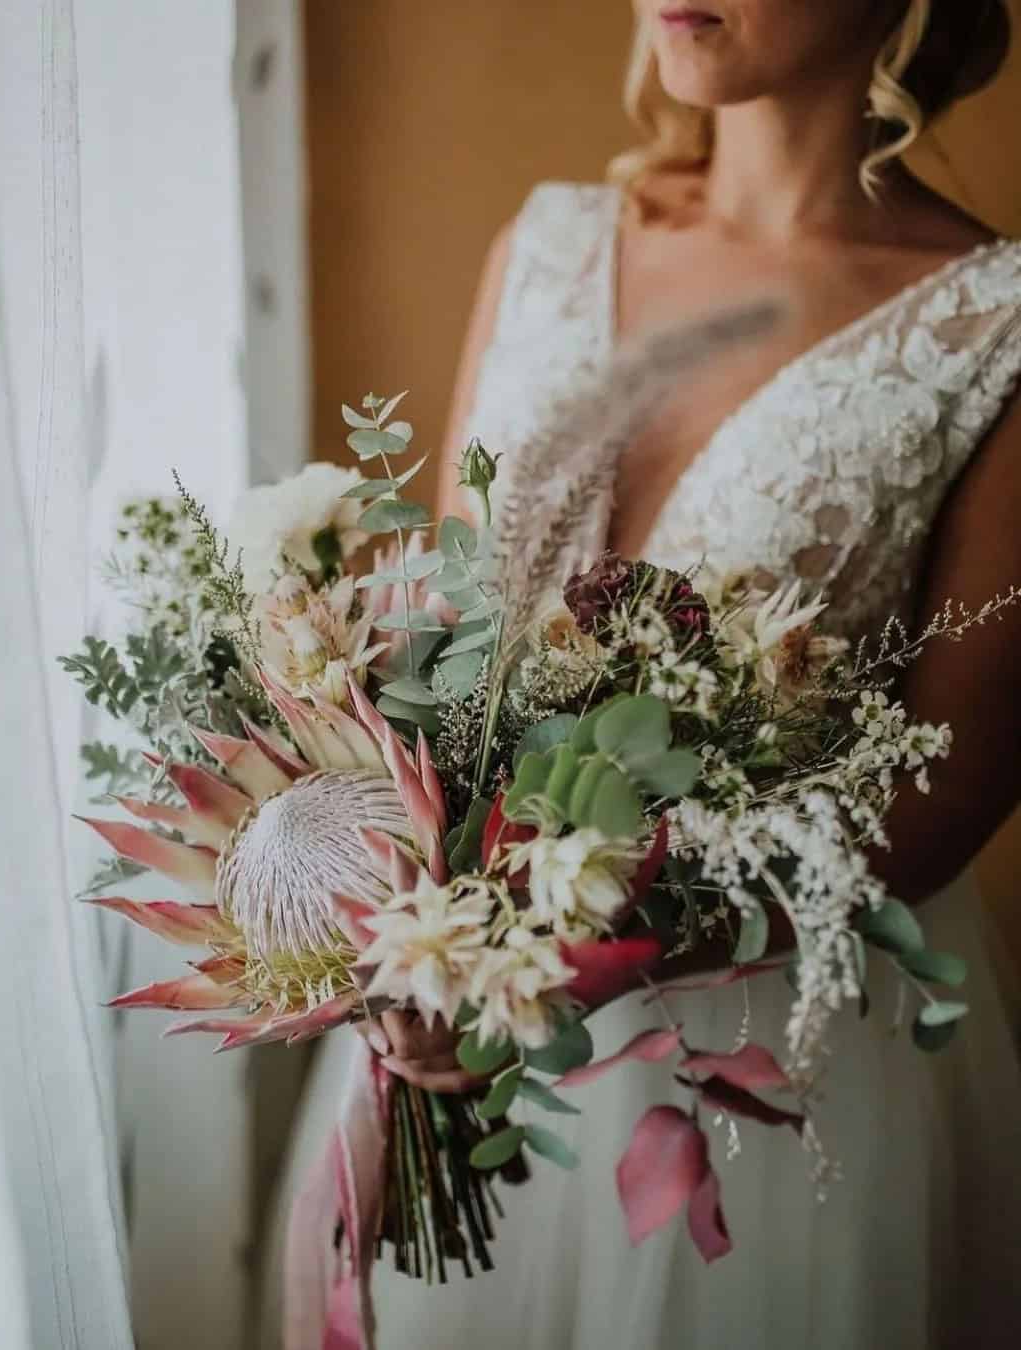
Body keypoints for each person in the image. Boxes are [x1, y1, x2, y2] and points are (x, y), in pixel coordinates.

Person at [275, 3, 1021, 1346]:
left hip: (771, 1085)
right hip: (456, 997)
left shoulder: (994, 330)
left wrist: (563, 965)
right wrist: (435, 937)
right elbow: (454, 651)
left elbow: (950, 792)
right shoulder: (549, 244)